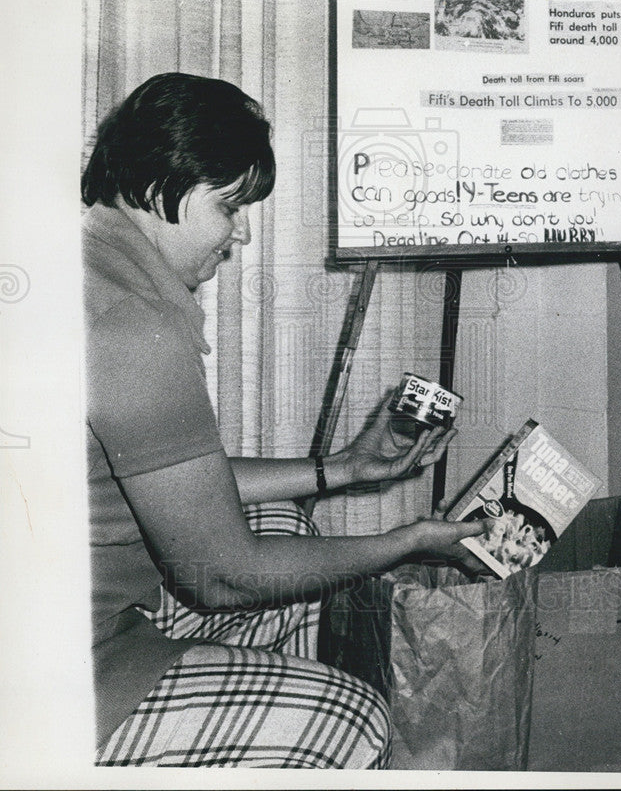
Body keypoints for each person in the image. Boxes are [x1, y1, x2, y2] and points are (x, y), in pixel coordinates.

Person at [82, 72, 485, 768]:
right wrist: (408, 539)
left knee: (285, 528)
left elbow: (168, 481)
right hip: (55, 666)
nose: (237, 235)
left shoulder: (94, 265)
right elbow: (223, 578)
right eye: (229, 206)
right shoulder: (132, 323)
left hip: (74, 609)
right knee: (348, 718)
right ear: (159, 186)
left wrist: (343, 470)